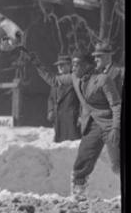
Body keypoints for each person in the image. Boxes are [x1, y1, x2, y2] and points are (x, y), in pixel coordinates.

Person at [35, 49, 121, 198]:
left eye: (76, 65)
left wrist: (115, 128)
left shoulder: (103, 79)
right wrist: (37, 63)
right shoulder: (75, 77)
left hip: (109, 126)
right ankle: (79, 194)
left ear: (87, 66)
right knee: (81, 163)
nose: (73, 68)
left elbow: (116, 106)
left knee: (117, 165)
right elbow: (55, 81)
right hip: (91, 126)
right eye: (72, 65)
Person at [45, 54, 81, 142]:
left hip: (72, 120)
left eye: (62, 65)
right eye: (58, 65)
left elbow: (82, 101)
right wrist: (50, 110)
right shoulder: (57, 80)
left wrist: (81, 116)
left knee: (72, 146)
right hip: (58, 120)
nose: (59, 67)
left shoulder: (76, 79)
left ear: (69, 65)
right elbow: (51, 98)